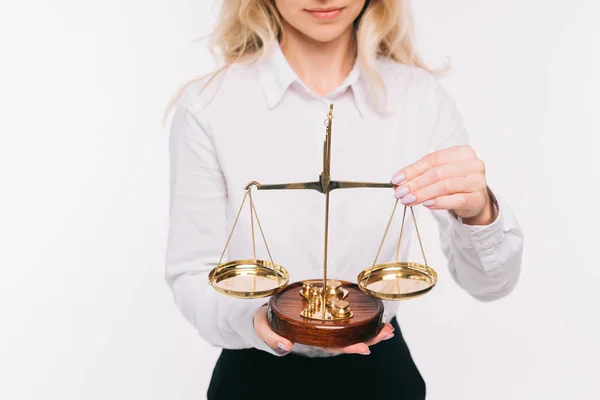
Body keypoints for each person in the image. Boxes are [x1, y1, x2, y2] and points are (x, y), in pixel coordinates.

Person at [165, 1, 524, 398]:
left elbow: (491, 285)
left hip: (381, 376)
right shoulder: (209, 104)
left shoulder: (419, 98)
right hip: (253, 378)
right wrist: (253, 319)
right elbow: (193, 274)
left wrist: (478, 212)